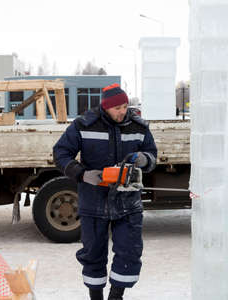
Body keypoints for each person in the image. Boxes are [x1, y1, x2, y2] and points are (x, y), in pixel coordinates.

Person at [53, 83, 157, 300]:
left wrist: (144, 159)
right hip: (94, 202)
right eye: (117, 107)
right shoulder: (84, 125)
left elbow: (152, 155)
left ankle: (116, 296)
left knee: (129, 253)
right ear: (106, 106)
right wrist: (82, 174)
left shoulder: (138, 127)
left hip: (127, 204)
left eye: (125, 106)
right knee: (93, 255)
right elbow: (61, 152)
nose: (122, 111)